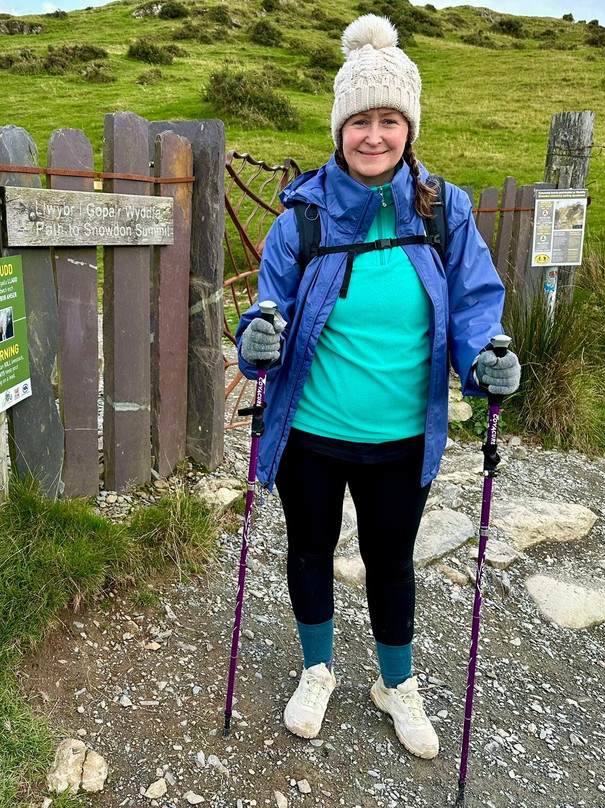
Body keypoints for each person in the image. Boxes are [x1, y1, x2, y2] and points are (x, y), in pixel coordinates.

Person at [235, 14, 521, 759]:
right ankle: (318, 669)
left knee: (392, 563)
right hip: (311, 433)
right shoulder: (303, 215)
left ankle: (396, 684)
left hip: (402, 436)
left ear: (409, 127)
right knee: (309, 552)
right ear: (339, 128)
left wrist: (485, 360)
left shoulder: (443, 210)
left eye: (388, 120)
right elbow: (266, 312)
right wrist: (254, 342)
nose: (373, 136)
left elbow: (473, 304)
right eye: (359, 120)